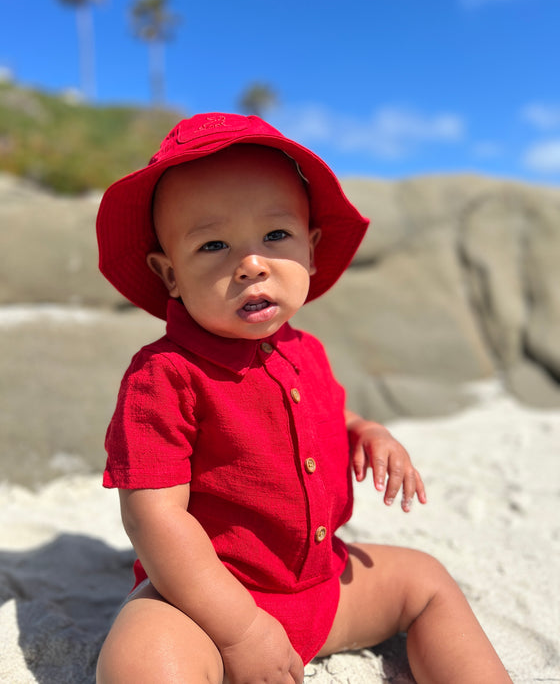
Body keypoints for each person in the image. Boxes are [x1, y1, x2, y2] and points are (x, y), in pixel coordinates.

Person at [95, 112, 512, 684]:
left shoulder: (306, 350)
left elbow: (328, 412)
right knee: (143, 658)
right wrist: (241, 630)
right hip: (208, 603)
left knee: (428, 581)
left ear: (311, 250)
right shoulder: (164, 375)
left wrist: (368, 433)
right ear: (170, 275)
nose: (251, 264)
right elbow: (154, 518)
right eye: (213, 244)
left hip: (322, 583)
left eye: (275, 236)